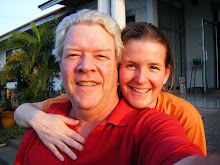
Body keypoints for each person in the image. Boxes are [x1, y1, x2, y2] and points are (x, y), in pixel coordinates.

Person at [15, 9, 220, 165]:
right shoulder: (46, 121)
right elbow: (24, 110)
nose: (86, 67)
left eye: (101, 55)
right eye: (73, 54)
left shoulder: (164, 122)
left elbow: (179, 154)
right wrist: (35, 118)